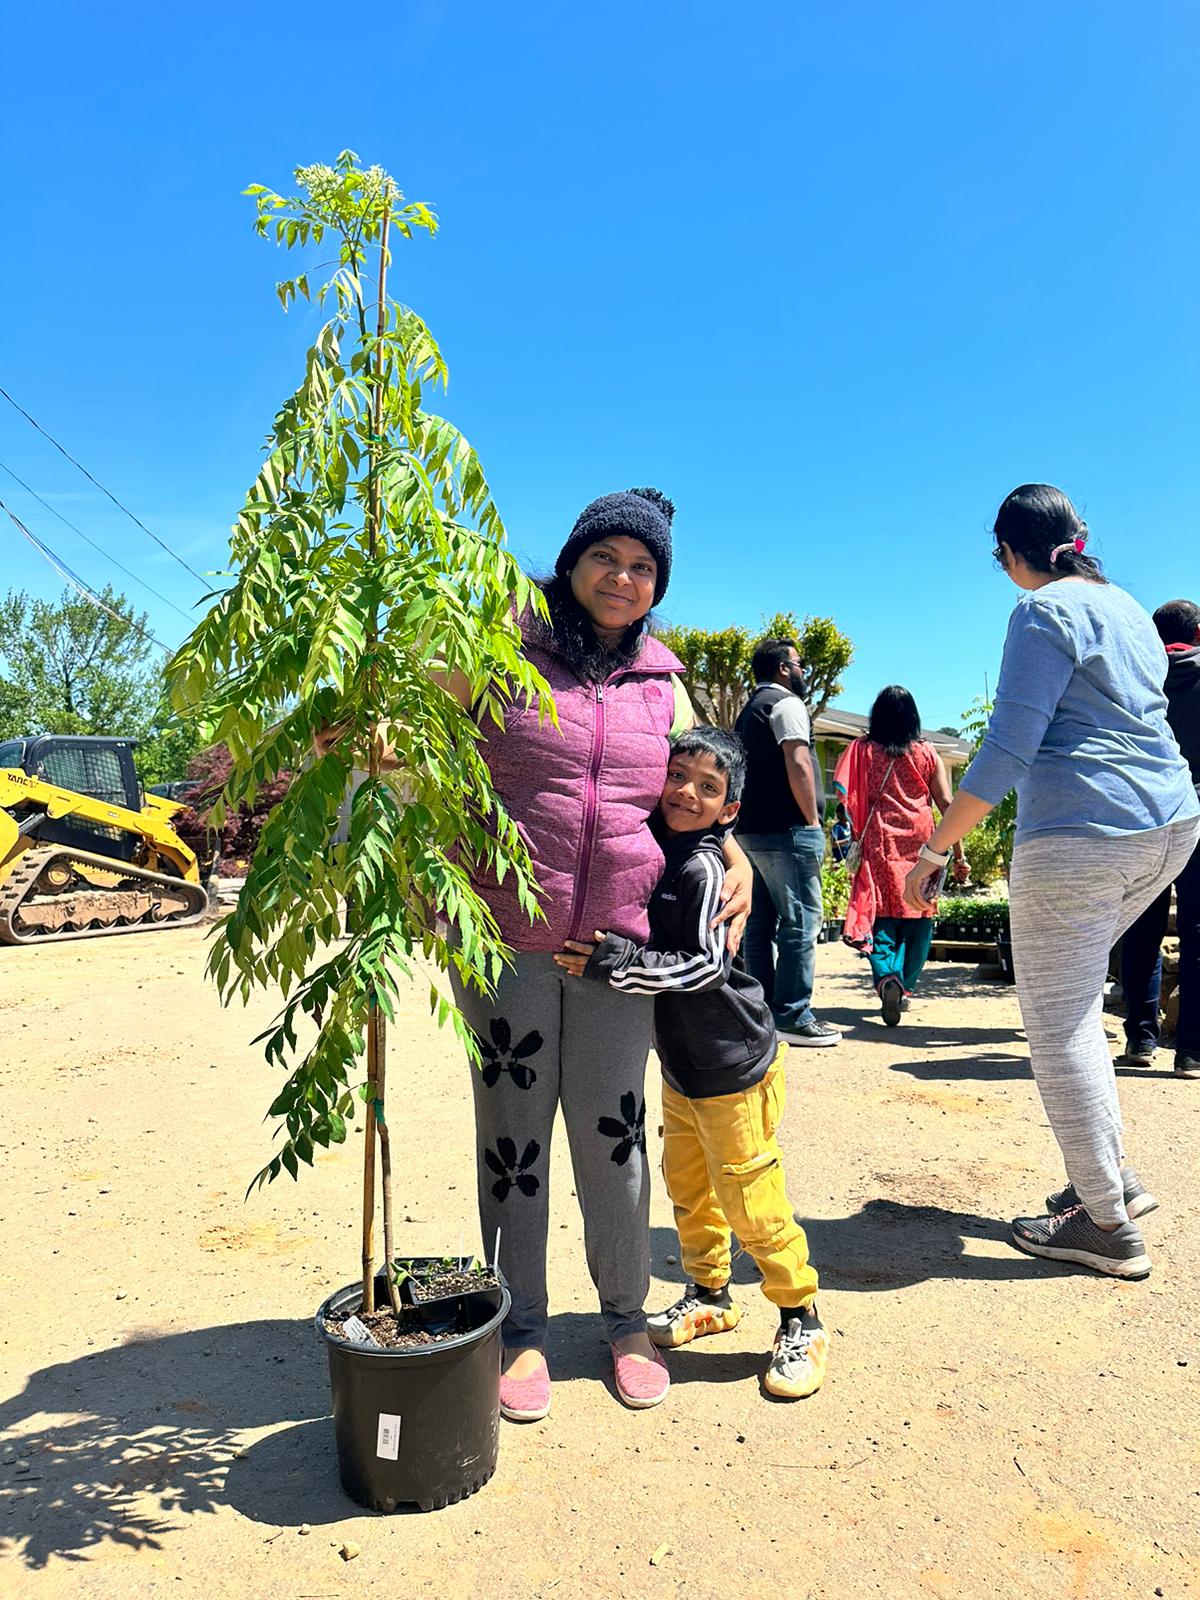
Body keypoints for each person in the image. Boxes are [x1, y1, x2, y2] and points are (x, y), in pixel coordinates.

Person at [429, 488, 752, 1420]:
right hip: (503, 938)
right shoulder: (497, 647)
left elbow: (697, 785)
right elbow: (413, 742)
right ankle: (519, 1326)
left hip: (618, 950)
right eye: (607, 557)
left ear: (659, 586)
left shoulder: (664, 679)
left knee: (614, 1141)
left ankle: (623, 1319)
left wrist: (735, 859)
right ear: (572, 561)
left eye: (644, 566)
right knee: (513, 1139)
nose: (624, 577)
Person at [904, 484, 1199, 1279]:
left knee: (1060, 1020)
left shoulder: (1040, 612)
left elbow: (1007, 748)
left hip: (1081, 829)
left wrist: (933, 853)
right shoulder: (1129, 607)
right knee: (1070, 1007)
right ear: (1082, 537)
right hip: (1171, 822)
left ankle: (1104, 1224)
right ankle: (1111, 1183)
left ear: (1007, 554)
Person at [555, 726, 829, 1400]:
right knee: (689, 1186)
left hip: (733, 1063)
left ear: (729, 810)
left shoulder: (703, 867)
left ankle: (801, 1316)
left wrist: (620, 964)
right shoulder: (656, 843)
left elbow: (708, 965)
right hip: (682, 1066)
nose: (686, 792)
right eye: (678, 775)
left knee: (749, 1195)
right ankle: (710, 1292)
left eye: (708, 787)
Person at [834, 686, 966, 1025]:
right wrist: (958, 852)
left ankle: (887, 978)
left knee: (883, 915)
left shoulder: (863, 751)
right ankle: (903, 984)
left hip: (880, 837)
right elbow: (947, 804)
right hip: (923, 840)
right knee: (921, 915)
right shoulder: (927, 753)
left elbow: (846, 798)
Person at [734, 638, 840, 1047]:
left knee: (758, 925)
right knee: (800, 923)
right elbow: (798, 761)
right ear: (782, 668)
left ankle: (761, 1011)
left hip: (748, 833)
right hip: (786, 831)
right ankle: (794, 1015)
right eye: (798, 663)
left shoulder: (748, 712)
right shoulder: (787, 705)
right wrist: (811, 821)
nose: (802, 671)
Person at [1117, 599, 1200, 1077]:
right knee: (1196, 930)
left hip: (1144, 813)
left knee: (1141, 927)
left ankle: (1141, 1039)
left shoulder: (1137, 674)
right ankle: (1190, 1051)